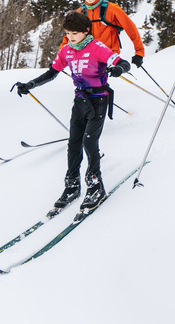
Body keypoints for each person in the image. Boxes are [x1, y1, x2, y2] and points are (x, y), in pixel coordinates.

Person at [12, 11, 131, 215]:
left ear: (86, 30)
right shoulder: (66, 50)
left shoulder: (97, 47)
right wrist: (31, 84)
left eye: (74, 33)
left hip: (99, 100)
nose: (70, 37)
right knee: (74, 143)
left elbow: (123, 63)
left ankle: (95, 187)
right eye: (67, 33)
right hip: (80, 101)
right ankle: (72, 185)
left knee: (89, 142)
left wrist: (118, 70)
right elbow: (52, 72)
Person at [60, 0, 146, 69]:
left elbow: (130, 28)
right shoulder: (80, 12)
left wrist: (139, 52)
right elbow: (69, 36)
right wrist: (60, 58)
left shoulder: (112, 9)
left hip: (109, 58)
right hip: (88, 58)